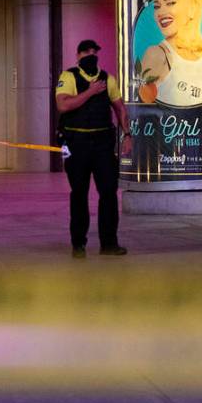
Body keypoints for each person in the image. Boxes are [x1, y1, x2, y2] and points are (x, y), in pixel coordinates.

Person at [55, 39, 131, 258]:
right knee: (78, 195)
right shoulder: (68, 76)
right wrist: (90, 91)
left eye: (94, 51)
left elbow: (120, 109)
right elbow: (63, 105)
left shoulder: (108, 79)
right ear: (78, 55)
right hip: (76, 145)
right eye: (86, 52)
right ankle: (78, 245)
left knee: (108, 194)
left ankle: (109, 244)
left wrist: (127, 134)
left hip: (102, 146)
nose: (91, 55)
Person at [138, 0, 202, 107]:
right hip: (173, 127)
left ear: (192, 8)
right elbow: (143, 107)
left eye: (171, 2)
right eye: (157, 6)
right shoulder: (157, 54)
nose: (161, 12)